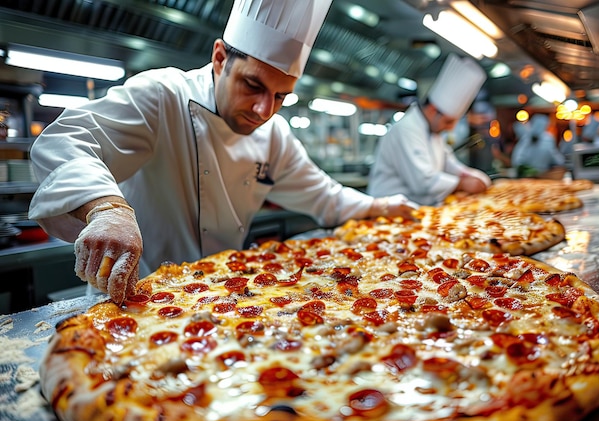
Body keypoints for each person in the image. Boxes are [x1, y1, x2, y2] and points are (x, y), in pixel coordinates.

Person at [27, 0, 418, 305]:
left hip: (225, 302)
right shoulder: (164, 95)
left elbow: (325, 197)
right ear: (220, 58)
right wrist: (107, 209)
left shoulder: (275, 134)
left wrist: (381, 207)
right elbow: (65, 139)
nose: (265, 110)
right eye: (253, 86)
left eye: (281, 96)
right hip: (135, 301)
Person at [367, 54, 492, 206]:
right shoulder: (407, 129)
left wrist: (471, 175)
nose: (450, 128)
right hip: (387, 215)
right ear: (433, 110)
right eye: (448, 121)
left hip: (417, 212)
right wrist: (463, 184)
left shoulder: (434, 131)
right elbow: (423, 181)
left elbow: (449, 163)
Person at [511, 113, 567, 179]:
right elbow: (558, 160)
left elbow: (517, 161)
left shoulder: (526, 138)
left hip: (535, 178)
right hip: (539, 177)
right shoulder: (547, 138)